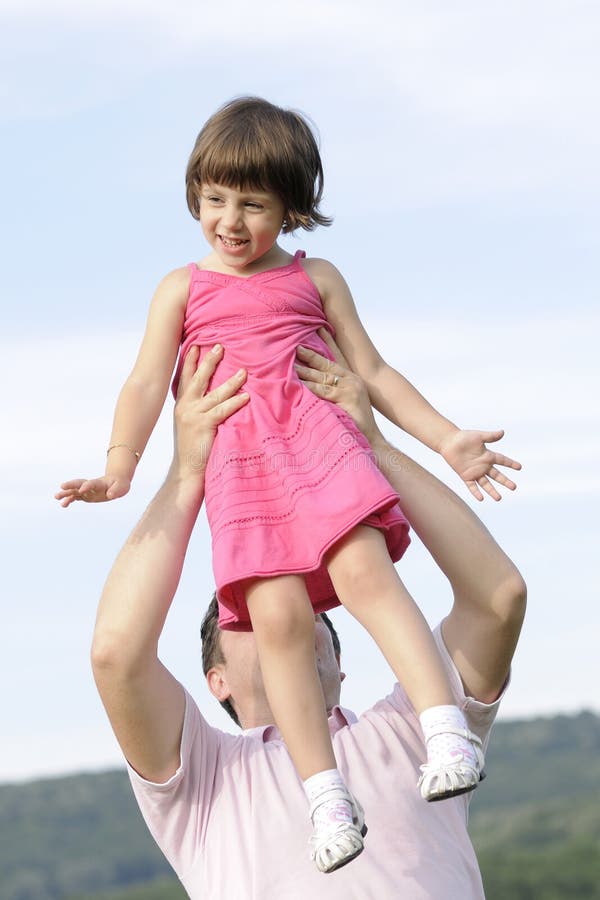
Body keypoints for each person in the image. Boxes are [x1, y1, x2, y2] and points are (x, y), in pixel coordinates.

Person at [57, 97, 521, 871]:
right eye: (213, 200)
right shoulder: (182, 288)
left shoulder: (318, 279)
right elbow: (145, 384)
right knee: (276, 622)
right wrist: (121, 464)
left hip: (320, 443)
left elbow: (372, 373)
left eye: (253, 204)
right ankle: (325, 798)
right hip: (240, 472)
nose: (230, 221)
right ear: (194, 196)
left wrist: (447, 441)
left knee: (364, 573)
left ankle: (444, 726)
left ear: (293, 208)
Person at [90, 340, 526, 899]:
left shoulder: (415, 727)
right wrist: (188, 469)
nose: (289, 598)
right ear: (214, 679)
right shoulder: (204, 782)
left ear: (339, 661)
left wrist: (372, 445)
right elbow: (115, 655)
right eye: (249, 611)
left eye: (309, 603)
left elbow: (498, 596)